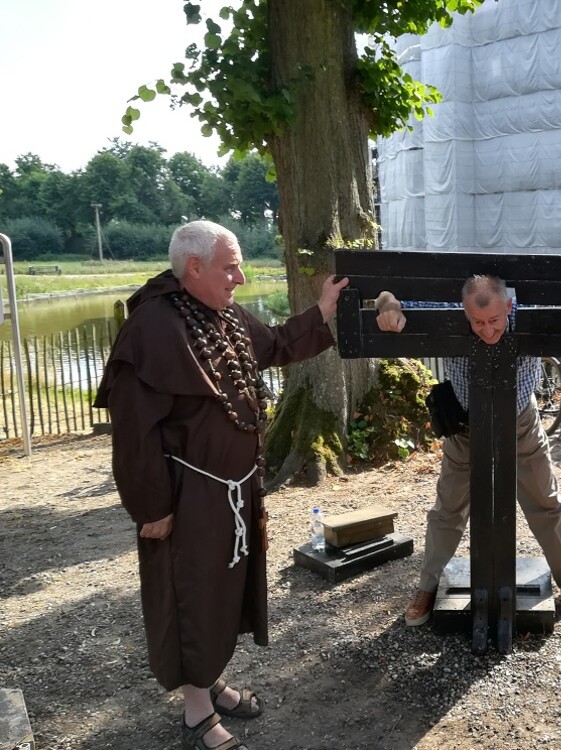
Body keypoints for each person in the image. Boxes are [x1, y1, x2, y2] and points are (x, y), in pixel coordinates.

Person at [94, 220, 349, 750]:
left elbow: (275, 345)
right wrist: (152, 507)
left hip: (234, 489)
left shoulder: (221, 313)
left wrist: (323, 310)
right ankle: (197, 712)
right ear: (194, 267)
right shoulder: (151, 329)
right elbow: (135, 433)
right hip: (188, 498)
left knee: (222, 595)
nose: (241, 277)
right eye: (230, 267)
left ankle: (209, 683)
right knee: (191, 597)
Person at [374, 275, 561, 626]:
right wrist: (388, 305)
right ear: (463, 311)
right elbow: (386, 293)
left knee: (546, 500)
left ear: (510, 306)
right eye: (477, 322)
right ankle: (427, 587)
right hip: (467, 427)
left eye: (495, 320)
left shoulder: (531, 307)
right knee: (448, 508)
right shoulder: (445, 309)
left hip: (520, 421)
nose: (487, 330)